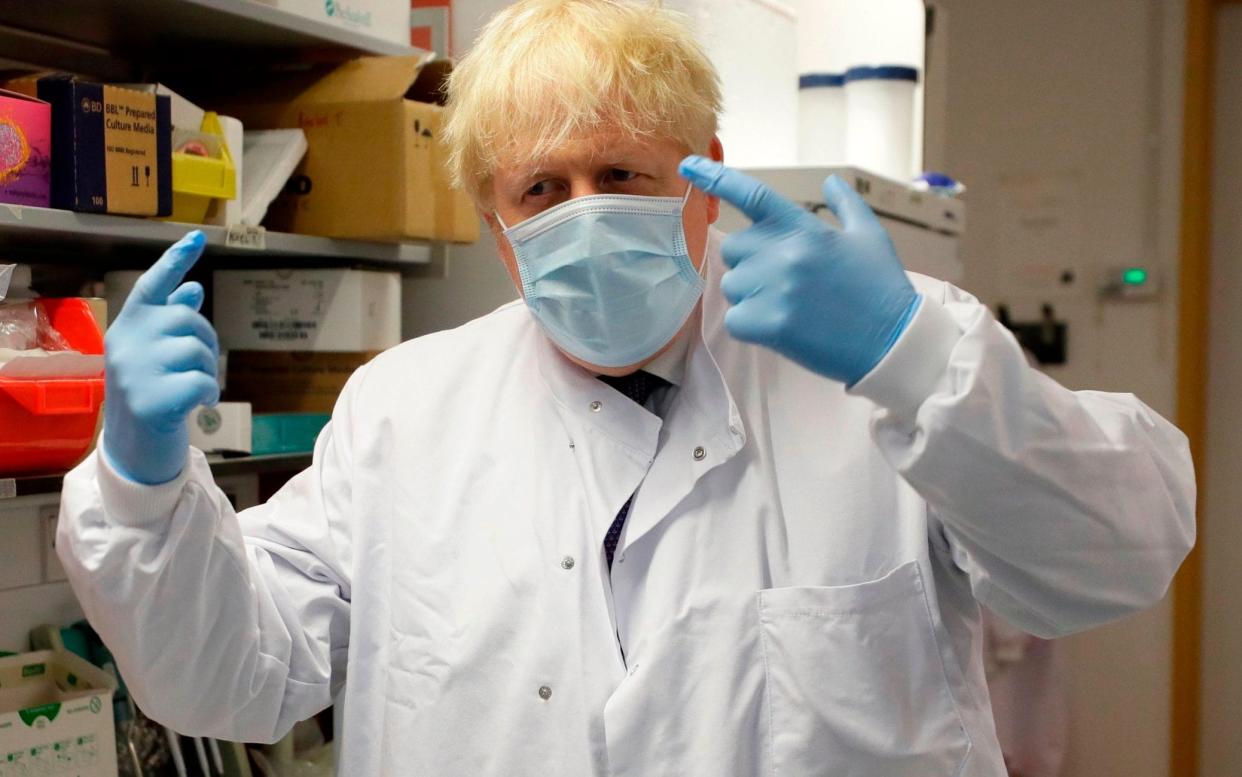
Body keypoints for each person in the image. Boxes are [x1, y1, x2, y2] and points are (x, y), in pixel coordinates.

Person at [57, 1, 1195, 775]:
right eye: (542, 187)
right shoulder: (402, 411)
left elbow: (1114, 555)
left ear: (707, 182)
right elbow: (230, 679)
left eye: (625, 174)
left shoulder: (874, 368)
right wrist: (144, 482)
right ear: (498, 232)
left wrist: (906, 352)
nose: (586, 213)